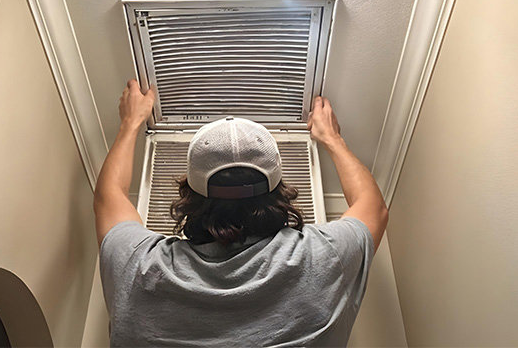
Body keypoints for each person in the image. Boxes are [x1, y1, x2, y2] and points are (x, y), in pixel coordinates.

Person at [93, 79, 389, 347]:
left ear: (190, 198)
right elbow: (373, 207)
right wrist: (332, 138)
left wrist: (130, 124)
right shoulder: (321, 257)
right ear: (278, 193)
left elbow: (109, 197)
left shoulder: (140, 267)